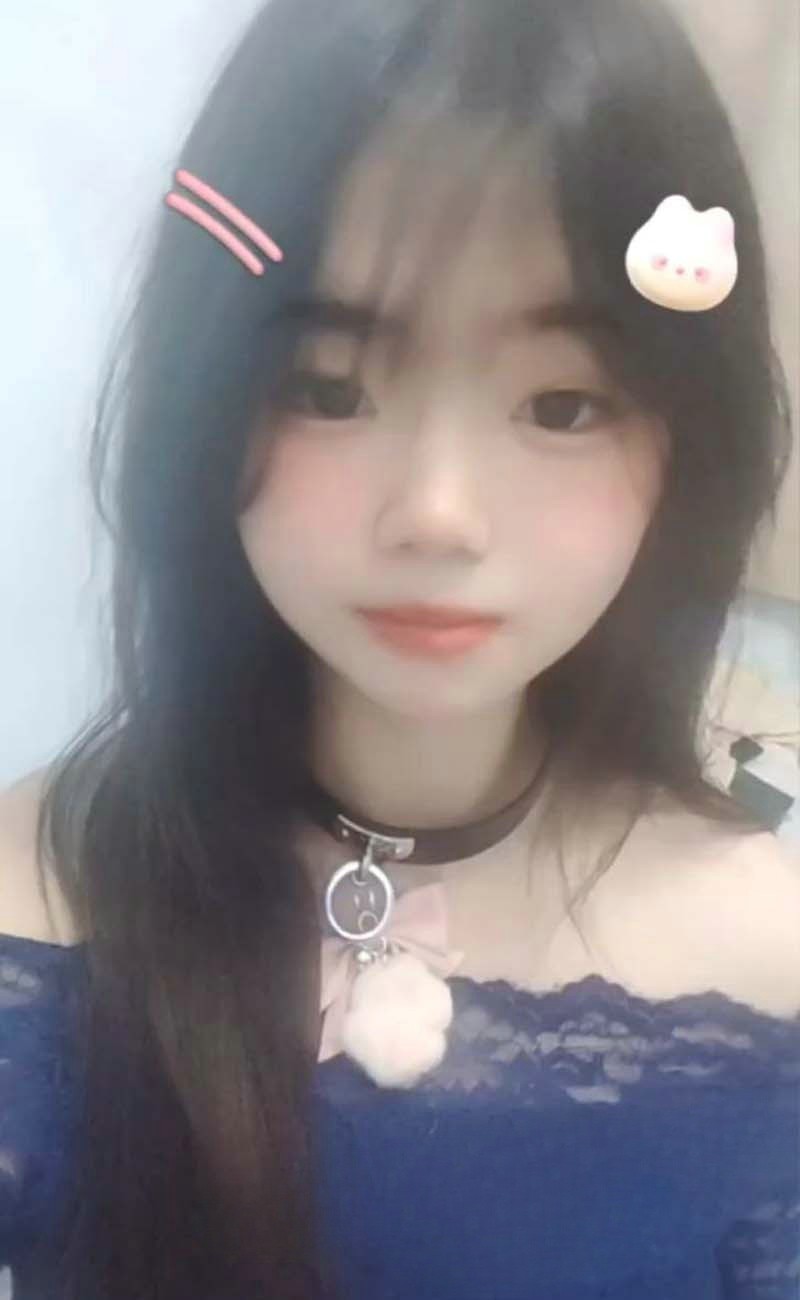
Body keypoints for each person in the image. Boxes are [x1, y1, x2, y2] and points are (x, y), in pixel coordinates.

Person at [1, 0, 799, 1295]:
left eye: (562, 403)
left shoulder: (761, 953)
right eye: (331, 389)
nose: (437, 512)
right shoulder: (31, 904)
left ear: (690, 441)